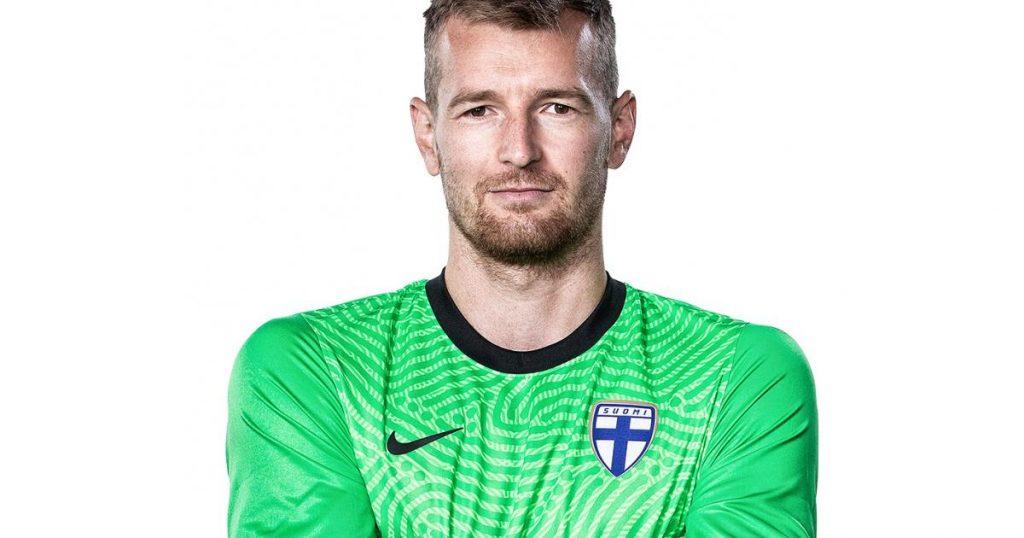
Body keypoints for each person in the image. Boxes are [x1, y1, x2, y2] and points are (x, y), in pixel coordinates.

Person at [225, 0, 818, 536]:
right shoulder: (314, 366)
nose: (519, 150)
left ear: (620, 129)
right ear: (427, 135)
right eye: (479, 110)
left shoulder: (735, 374)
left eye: (557, 107)